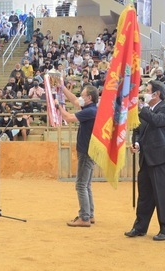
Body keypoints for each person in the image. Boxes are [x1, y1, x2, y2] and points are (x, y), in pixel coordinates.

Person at [125, 80, 165, 241]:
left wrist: (144, 108)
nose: (144, 93)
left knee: (163, 196)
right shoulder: (145, 112)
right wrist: (137, 144)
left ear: (157, 94)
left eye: (147, 90)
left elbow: (158, 121)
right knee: (144, 196)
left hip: (162, 159)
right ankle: (139, 227)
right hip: (146, 159)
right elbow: (138, 131)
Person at [55, 82, 99, 227]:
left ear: (89, 98)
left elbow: (68, 118)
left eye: (83, 95)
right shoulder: (91, 109)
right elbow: (74, 100)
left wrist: (58, 106)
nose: (80, 97)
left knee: (81, 185)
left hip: (86, 151)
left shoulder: (90, 111)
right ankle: (89, 214)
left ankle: (84, 217)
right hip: (89, 150)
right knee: (86, 185)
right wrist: (62, 88)